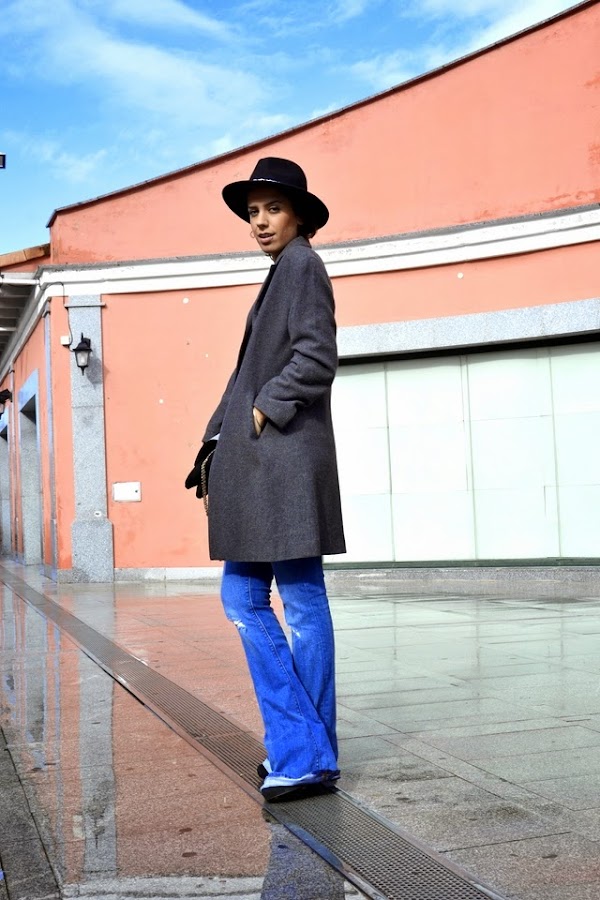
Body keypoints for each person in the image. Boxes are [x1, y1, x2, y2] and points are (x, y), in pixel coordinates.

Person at [200, 157, 346, 802]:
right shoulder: (281, 271)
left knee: (284, 602)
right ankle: (307, 749)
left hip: (282, 463)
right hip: (263, 464)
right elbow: (244, 377)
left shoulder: (303, 266)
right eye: (253, 212)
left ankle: (304, 752)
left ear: (300, 215)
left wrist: (263, 410)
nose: (260, 221)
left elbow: (316, 357)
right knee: (267, 599)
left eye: (273, 209)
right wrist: (216, 436)